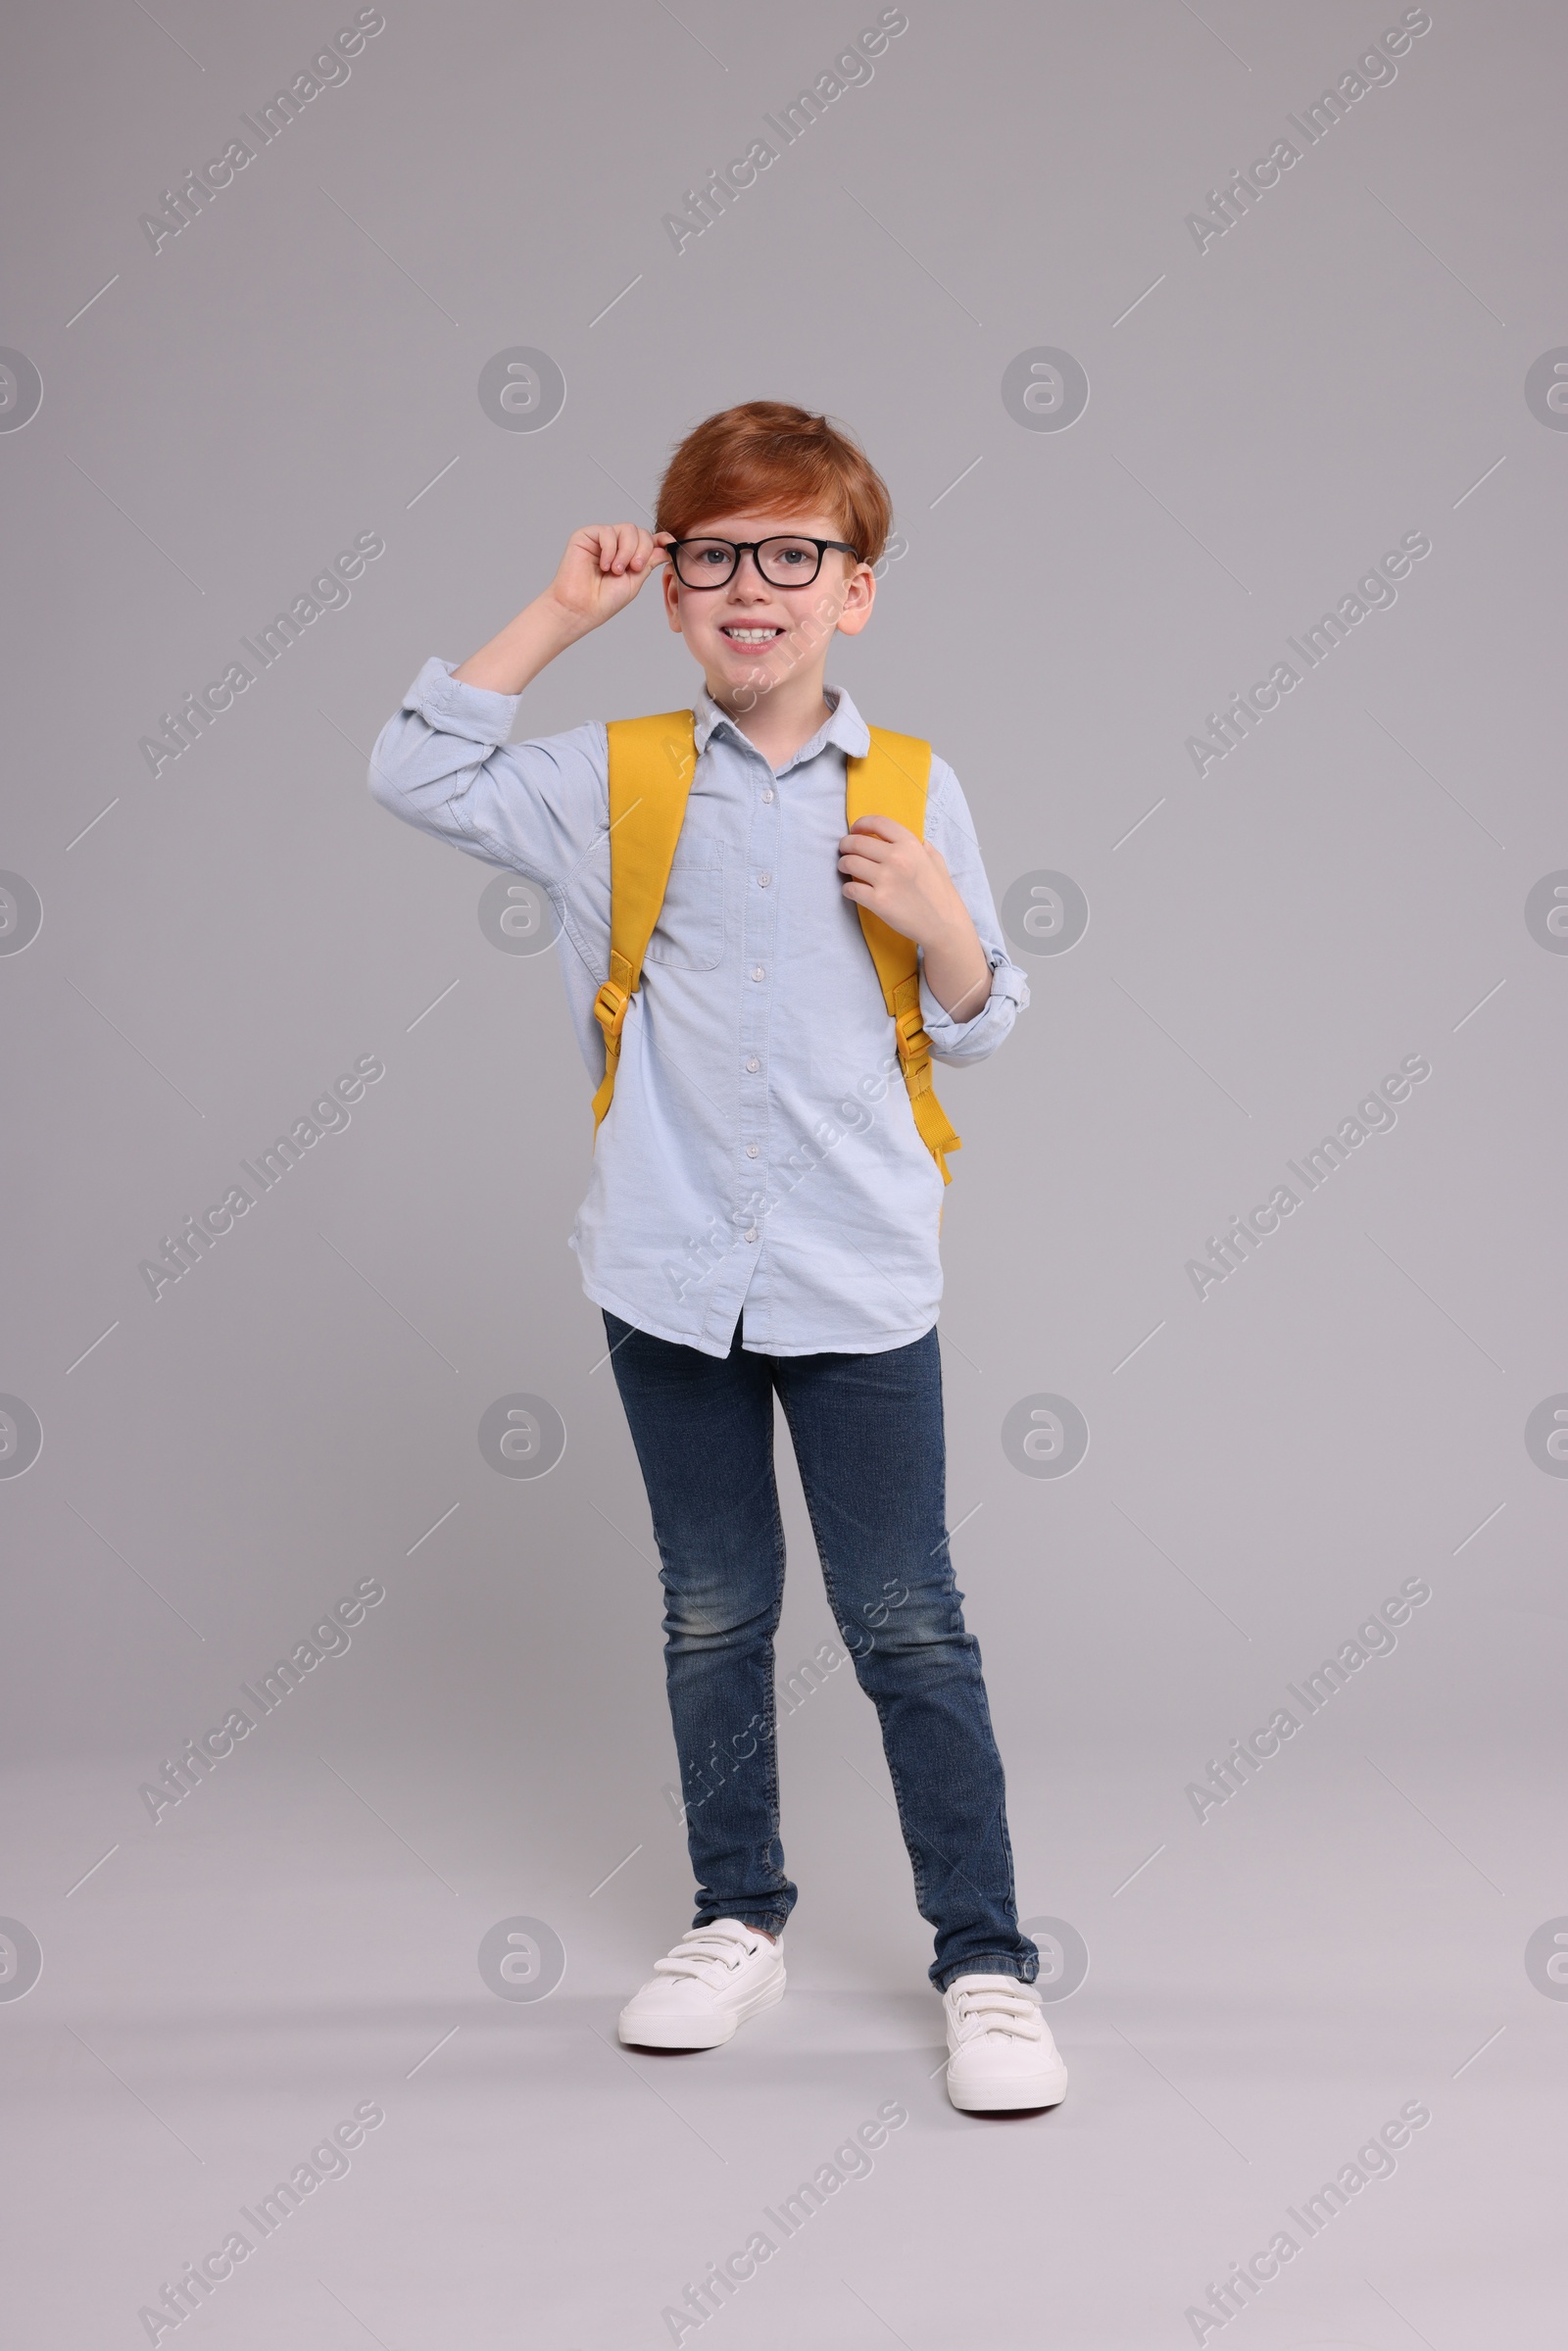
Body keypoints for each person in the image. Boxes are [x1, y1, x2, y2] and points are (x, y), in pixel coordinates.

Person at [368, 400, 1065, 2114]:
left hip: (857, 1276)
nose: (753, 587)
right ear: (675, 586)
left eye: (791, 557)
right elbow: (414, 768)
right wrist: (555, 616)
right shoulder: (611, 780)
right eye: (714, 558)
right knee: (712, 1611)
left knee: (910, 1623)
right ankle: (736, 1915)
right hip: (669, 1273)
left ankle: (984, 1961)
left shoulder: (916, 788)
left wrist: (948, 930)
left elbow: (984, 1026)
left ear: (856, 590)